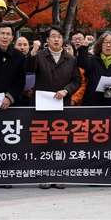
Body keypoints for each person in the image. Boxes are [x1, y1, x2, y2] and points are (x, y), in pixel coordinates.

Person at [27, 25, 82, 190]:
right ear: (47, 39)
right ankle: (44, 175)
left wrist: (66, 91)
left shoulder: (70, 59)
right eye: (53, 36)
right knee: (43, 141)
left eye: (59, 36)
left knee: (60, 141)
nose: (57, 39)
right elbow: (28, 70)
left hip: (62, 105)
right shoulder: (39, 56)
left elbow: (77, 80)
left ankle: (58, 176)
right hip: (41, 106)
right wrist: (32, 53)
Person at [76, 32, 111, 106]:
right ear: (100, 45)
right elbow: (81, 63)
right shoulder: (92, 60)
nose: (108, 45)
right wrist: (85, 45)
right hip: (92, 104)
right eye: (105, 42)